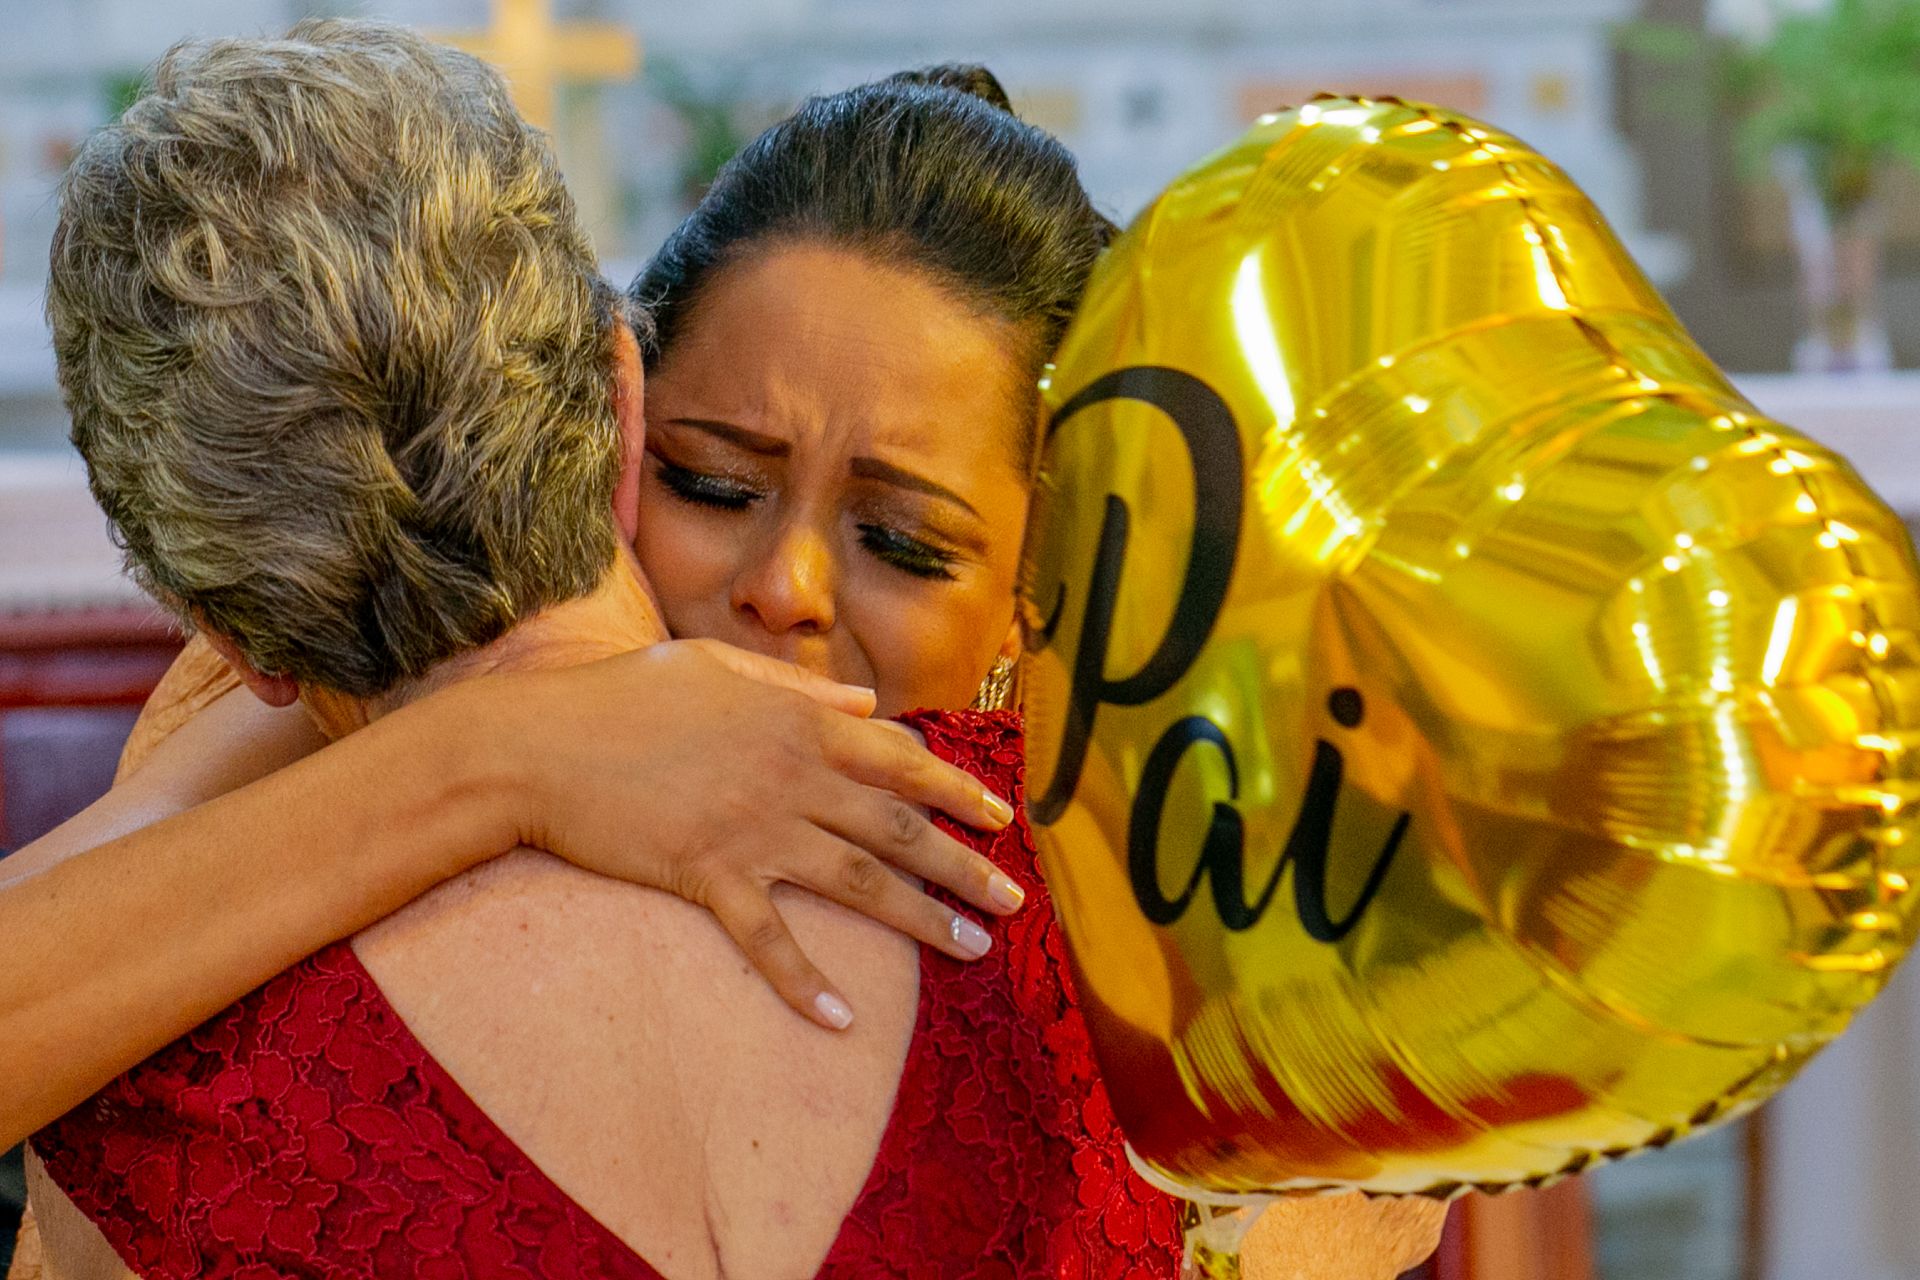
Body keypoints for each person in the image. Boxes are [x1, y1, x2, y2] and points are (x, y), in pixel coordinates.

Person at [15, 23, 1445, 1278]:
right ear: (626, 417)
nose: (786, 588)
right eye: (715, 483)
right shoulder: (287, 751)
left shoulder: (1200, 898)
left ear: (1046, 592)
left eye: (908, 542)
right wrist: (507, 753)